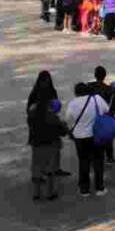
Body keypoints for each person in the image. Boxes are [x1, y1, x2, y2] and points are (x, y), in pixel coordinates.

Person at [26, 71, 67, 201]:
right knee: (50, 169)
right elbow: (61, 129)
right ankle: (50, 193)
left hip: (36, 141)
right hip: (51, 142)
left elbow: (29, 120)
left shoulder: (33, 111)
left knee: (37, 166)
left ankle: (36, 193)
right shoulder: (51, 115)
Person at [64, 82, 109, 197]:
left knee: (84, 161)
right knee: (98, 161)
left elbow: (68, 119)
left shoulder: (73, 104)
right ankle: (99, 187)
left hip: (80, 137)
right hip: (97, 135)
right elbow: (106, 110)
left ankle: (84, 189)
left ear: (76, 93)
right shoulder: (97, 99)